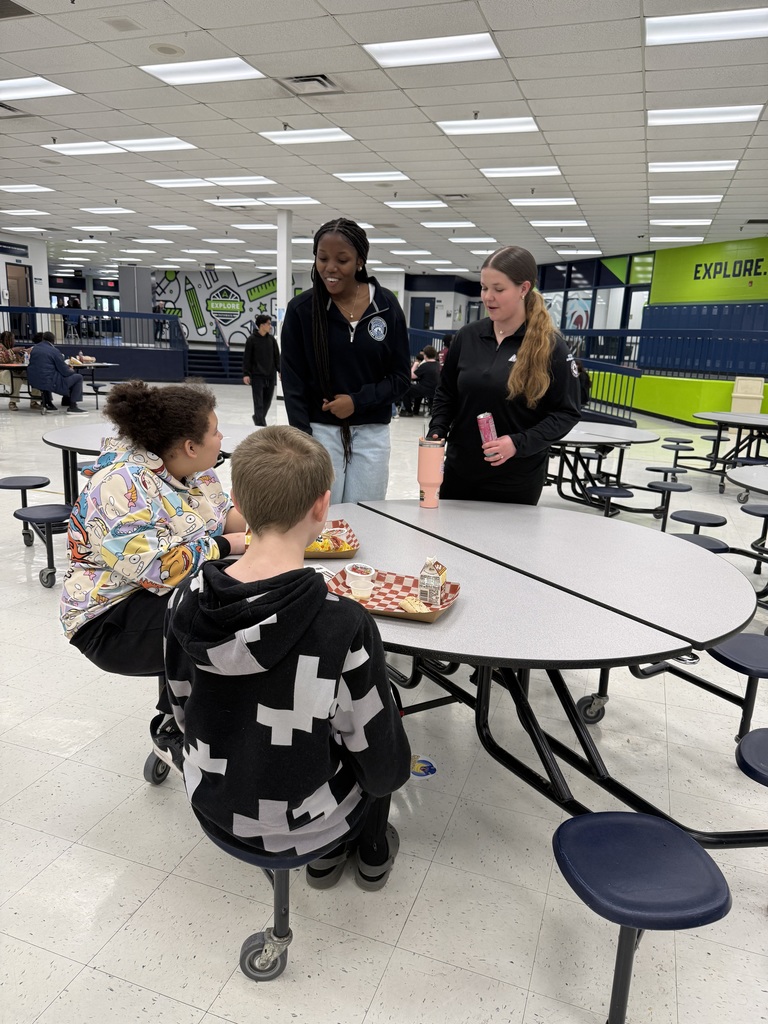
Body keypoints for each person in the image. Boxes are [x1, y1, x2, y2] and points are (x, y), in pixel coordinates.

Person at [164, 425, 411, 889]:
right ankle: (362, 854)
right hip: (307, 824)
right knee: (383, 726)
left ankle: (326, 859)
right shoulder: (343, 624)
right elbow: (381, 765)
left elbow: (179, 709)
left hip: (213, 800)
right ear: (322, 506)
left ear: (237, 500)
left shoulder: (184, 600)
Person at [60, 380, 247, 771]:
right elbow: (160, 570)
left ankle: (194, 714)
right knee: (223, 621)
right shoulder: (118, 484)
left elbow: (230, 517)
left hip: (158, 598)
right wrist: (228, 546)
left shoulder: (199, 473)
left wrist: (276, 528)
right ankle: (173, 729)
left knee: (235, 594)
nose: (222, 436)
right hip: (109, 619)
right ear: (190, 446)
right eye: (215, 430)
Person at [428, 246, 580, 505]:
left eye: (498, 289)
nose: (488, 297)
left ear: (523, 289)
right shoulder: (467, 336)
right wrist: (437, 429)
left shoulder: (550, 346)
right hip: (460, 471)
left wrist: (517, 443)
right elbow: (447, 392)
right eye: (484, 288)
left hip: (515, 479)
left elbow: (566, 413)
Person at [281, 217, 411, 504]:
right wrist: (304, 441)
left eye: (342, 260)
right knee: (321, 516)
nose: (330, 268)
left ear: (360, 262)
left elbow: (401, 379)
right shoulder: (302, 310)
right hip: (320, 432)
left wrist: (357, 401)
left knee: (367, 514)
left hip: (372, 433)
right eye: (322, 258)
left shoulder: (386, 306)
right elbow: (293, 382)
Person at [26, 331, 87, 413]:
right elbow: (64, 371)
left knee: (46, 375)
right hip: (49, 381)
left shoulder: (34, 349)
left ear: (43, 338)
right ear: (53, 340)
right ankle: (73, 406)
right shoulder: (54, 351)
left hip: (34, 380)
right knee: (78, 377)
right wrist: (71, 370)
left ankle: (49, 403)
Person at [242, 314, 280, 426]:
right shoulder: (251, 340)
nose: (270, 326)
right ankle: (261, 424)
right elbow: (247, 358)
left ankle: (258, 418)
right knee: (258, 402)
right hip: (257, 376)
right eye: (268, 324)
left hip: (270, 376)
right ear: (262, 325)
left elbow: (277, 356)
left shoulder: (272, 340)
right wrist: (246, 374)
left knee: (267, 402)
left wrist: (280, 370)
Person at [0, 331, 41, 411]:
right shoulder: (1, 347)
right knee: (15, 379)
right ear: (7, 340)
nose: (14, 341)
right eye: (12, 339)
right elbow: (1, 358)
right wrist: (12, 351)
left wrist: (26, 355)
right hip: (2, 372)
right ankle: (12, 402)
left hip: (17, 371)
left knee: (36, 376)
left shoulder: (12, 349)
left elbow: (19, 362)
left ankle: (34, 401)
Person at [401, 344, 440, 416]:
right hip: (435, 389)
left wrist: (415, 365)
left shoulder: (425, 365)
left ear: (425, 355)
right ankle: (416, 410)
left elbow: (412, 376)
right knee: (417, 390)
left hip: (425, 389)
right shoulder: (438, 365)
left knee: (405, 389)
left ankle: (408, 411)